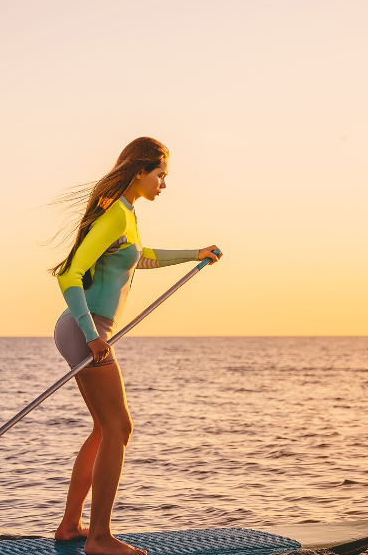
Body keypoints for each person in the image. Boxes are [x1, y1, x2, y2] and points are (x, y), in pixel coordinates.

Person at [49, 137, 221, 555]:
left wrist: (194, 254)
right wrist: (92, 335)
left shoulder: (126, 214)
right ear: (140, 171)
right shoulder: (115, 216)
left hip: (86, 328)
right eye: (160, 175)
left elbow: (139, 257)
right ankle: (99, 538)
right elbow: (68, 275)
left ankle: (71, 526)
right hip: (87, 327)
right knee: (119, 428)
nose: (164, 183)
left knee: (105, 428)